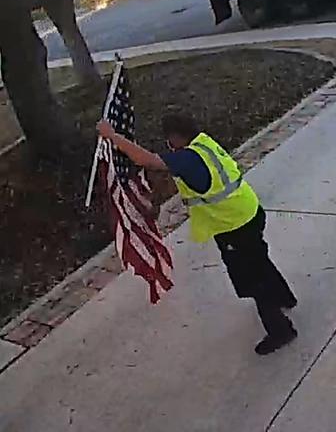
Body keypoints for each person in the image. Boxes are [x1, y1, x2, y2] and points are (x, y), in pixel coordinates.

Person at [97, 114, 298, 355]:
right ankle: (285, 297)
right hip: (249, 212)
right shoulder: (204, 144)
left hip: (233, 225)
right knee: (260, 260)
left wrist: (112, 136)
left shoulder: (188, 158)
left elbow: (146, 160)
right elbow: (183, 180)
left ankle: (280, 330)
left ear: (174, 137)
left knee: (253, 279)